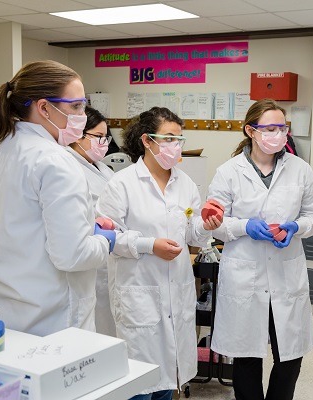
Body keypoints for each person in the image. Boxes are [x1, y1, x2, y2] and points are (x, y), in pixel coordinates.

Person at [0, 60, 115, 337]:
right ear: (44, 107)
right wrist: (104, 240)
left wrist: (85, 224)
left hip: (3, 310)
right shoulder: (55, 160)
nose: (82, 115)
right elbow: (73, 256)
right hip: (52, 319)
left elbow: (23, 227)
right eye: (75, 106)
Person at [96, 107, 221, 400]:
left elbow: (191, 235)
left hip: (175, 293)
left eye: (179, 139)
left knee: (166, 382)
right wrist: (149, 245)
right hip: (139, 293)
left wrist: (205, 226)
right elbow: (109, 236)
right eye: (168, 138)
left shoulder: (185, 184)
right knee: (138, 386)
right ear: (147, 141)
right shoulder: (121, 184)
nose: (175, 146)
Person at [207, 98, 313, 400]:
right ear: (250, 131)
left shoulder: (301, 170)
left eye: (282, 128)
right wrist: (246, 226)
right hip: (246, 276)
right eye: (269, 128)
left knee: (290, 357)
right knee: (247, 358)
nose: (278, 134)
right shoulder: (228, 172)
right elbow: (214, 223)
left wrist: (296, 228)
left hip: (287, 274)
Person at [66, 106, 116, 337]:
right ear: (78, 136)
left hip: (109, 250)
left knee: (108, 319)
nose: (104, 143)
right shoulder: (68, 166)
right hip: (89, 250)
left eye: (106, 137)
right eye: (98, 137)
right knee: (93, 322)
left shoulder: (103, 168)